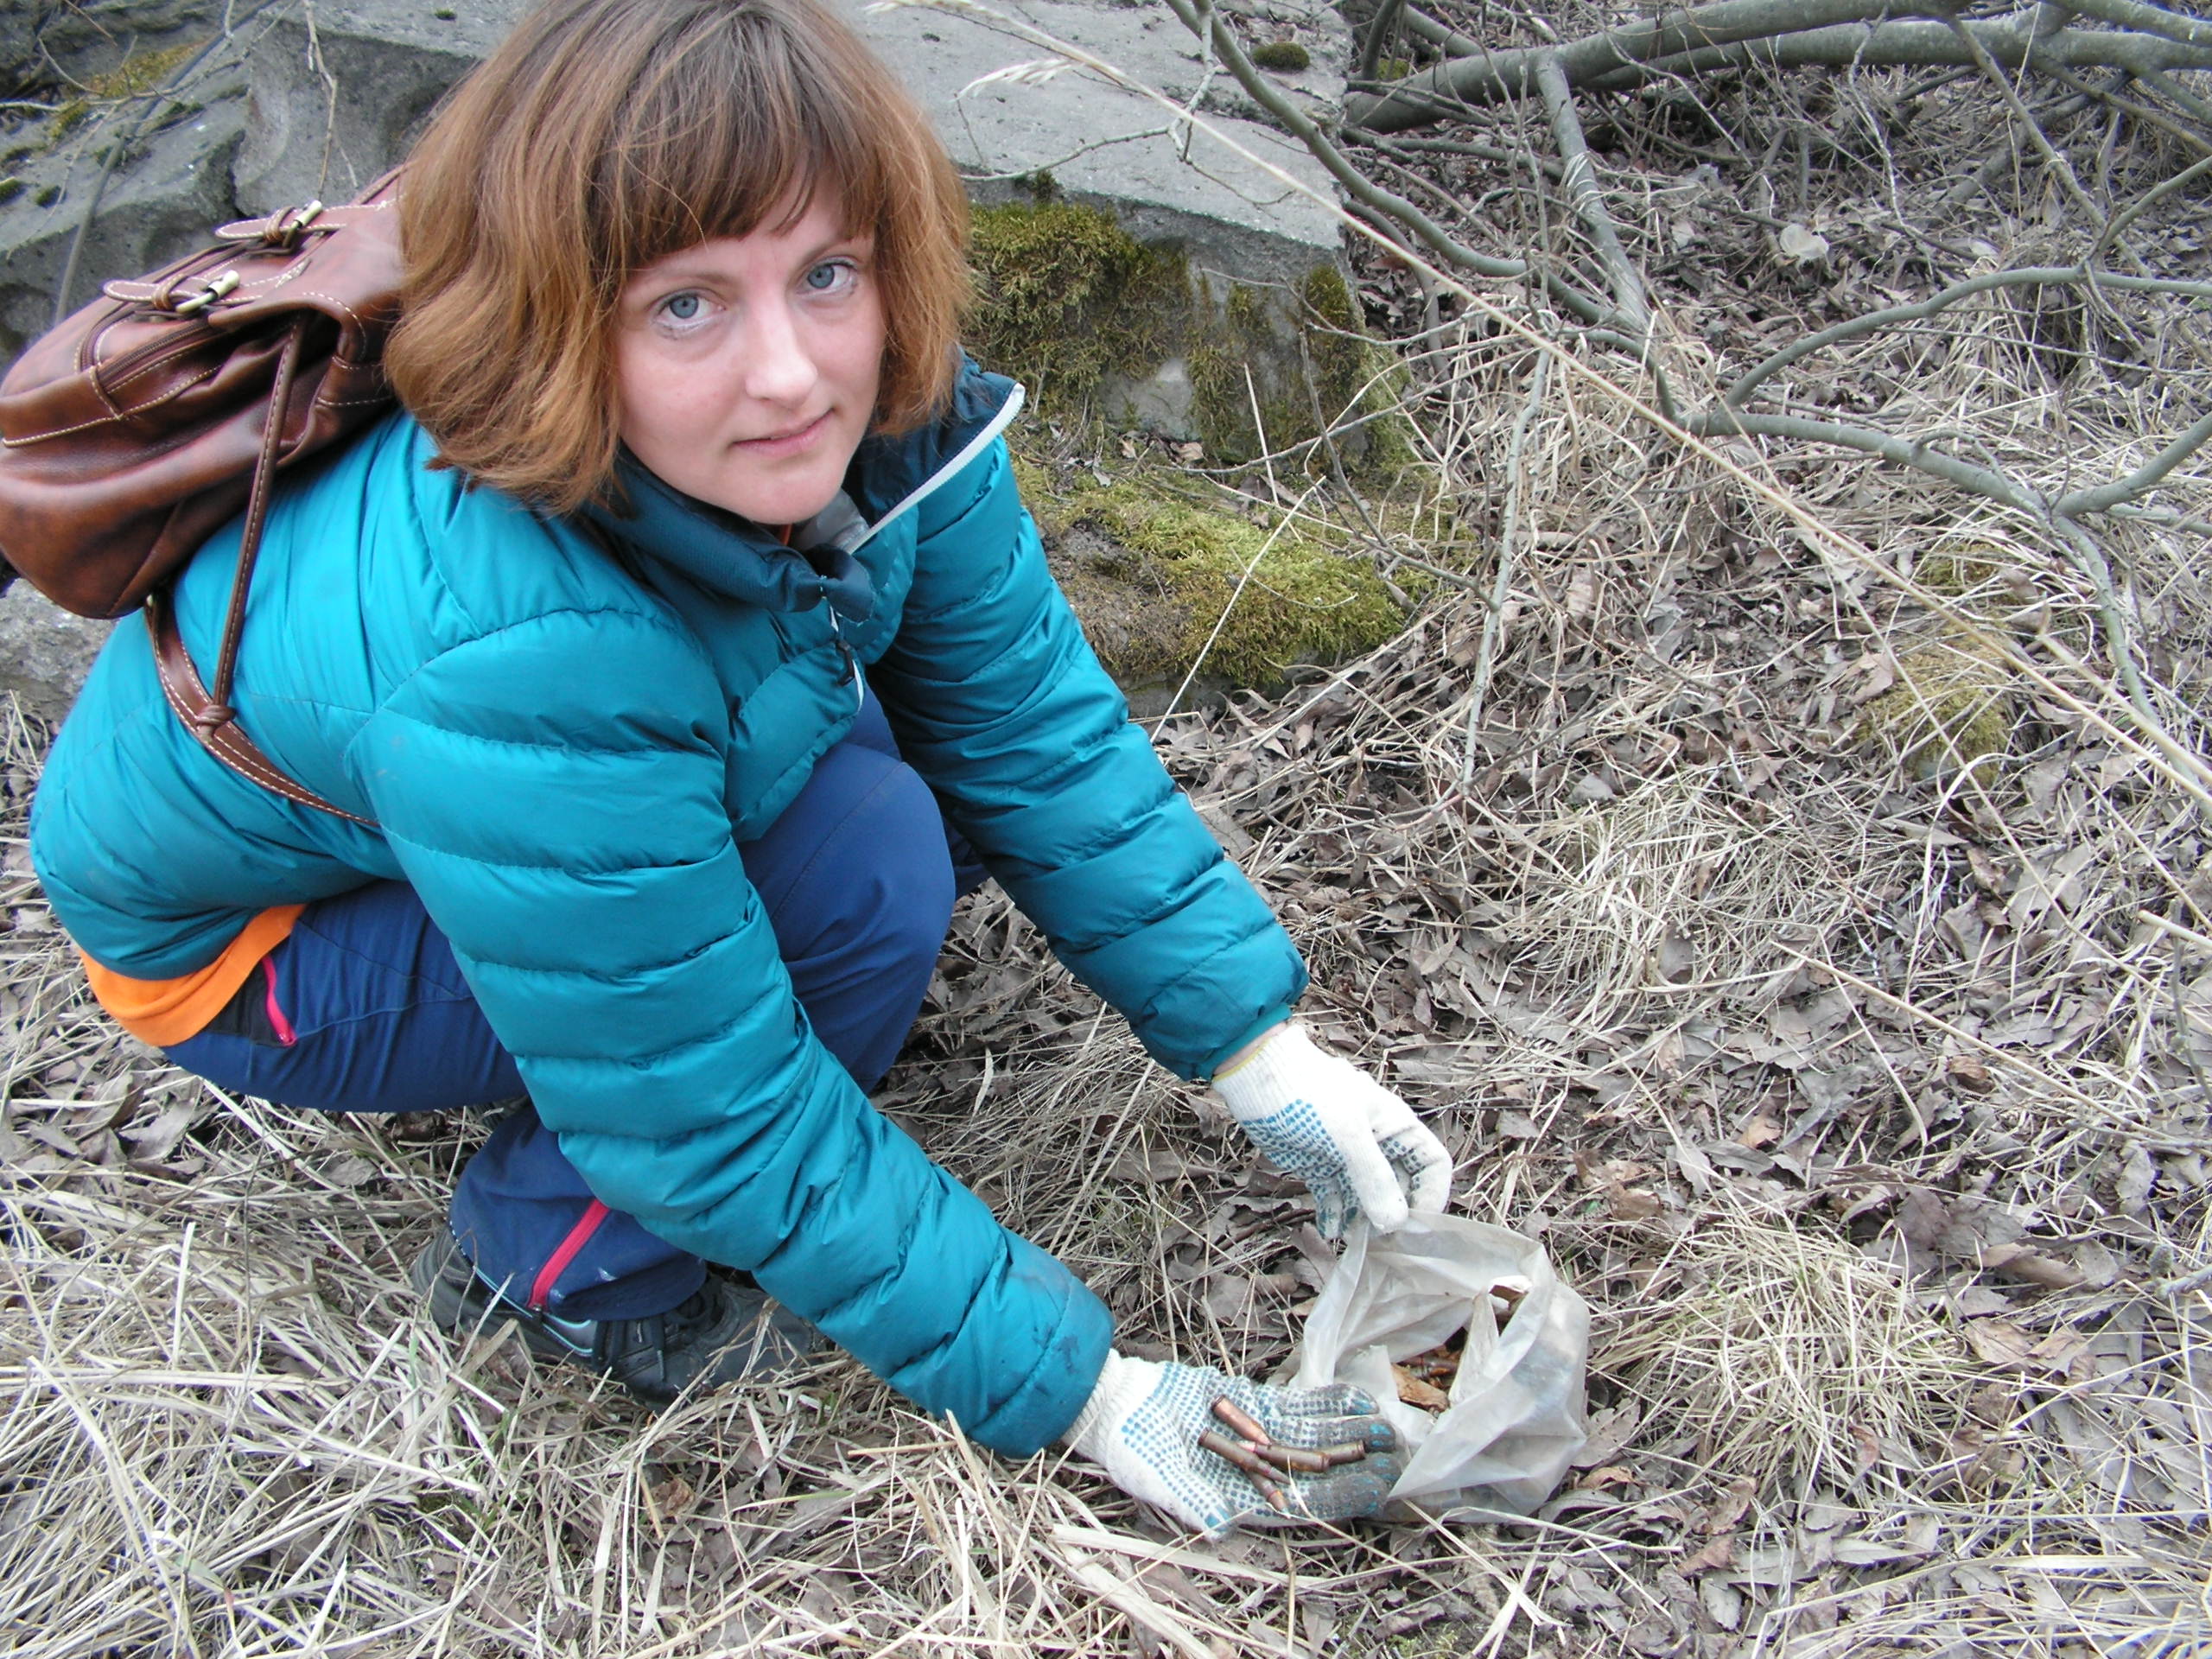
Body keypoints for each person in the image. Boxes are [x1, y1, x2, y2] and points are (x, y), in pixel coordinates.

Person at [27, 0, 1453, 1537]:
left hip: (479, 797)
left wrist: (1261, 1050)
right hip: (246, 951)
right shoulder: (522, 629)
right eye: (687, 306)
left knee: (895, 779)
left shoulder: (882, 405)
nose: (791, 375)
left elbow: (1027, 730)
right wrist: (1096, 1395)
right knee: (863, 866)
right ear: (563, 320)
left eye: (826, 273)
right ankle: (557, 1258)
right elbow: (711, 1108)